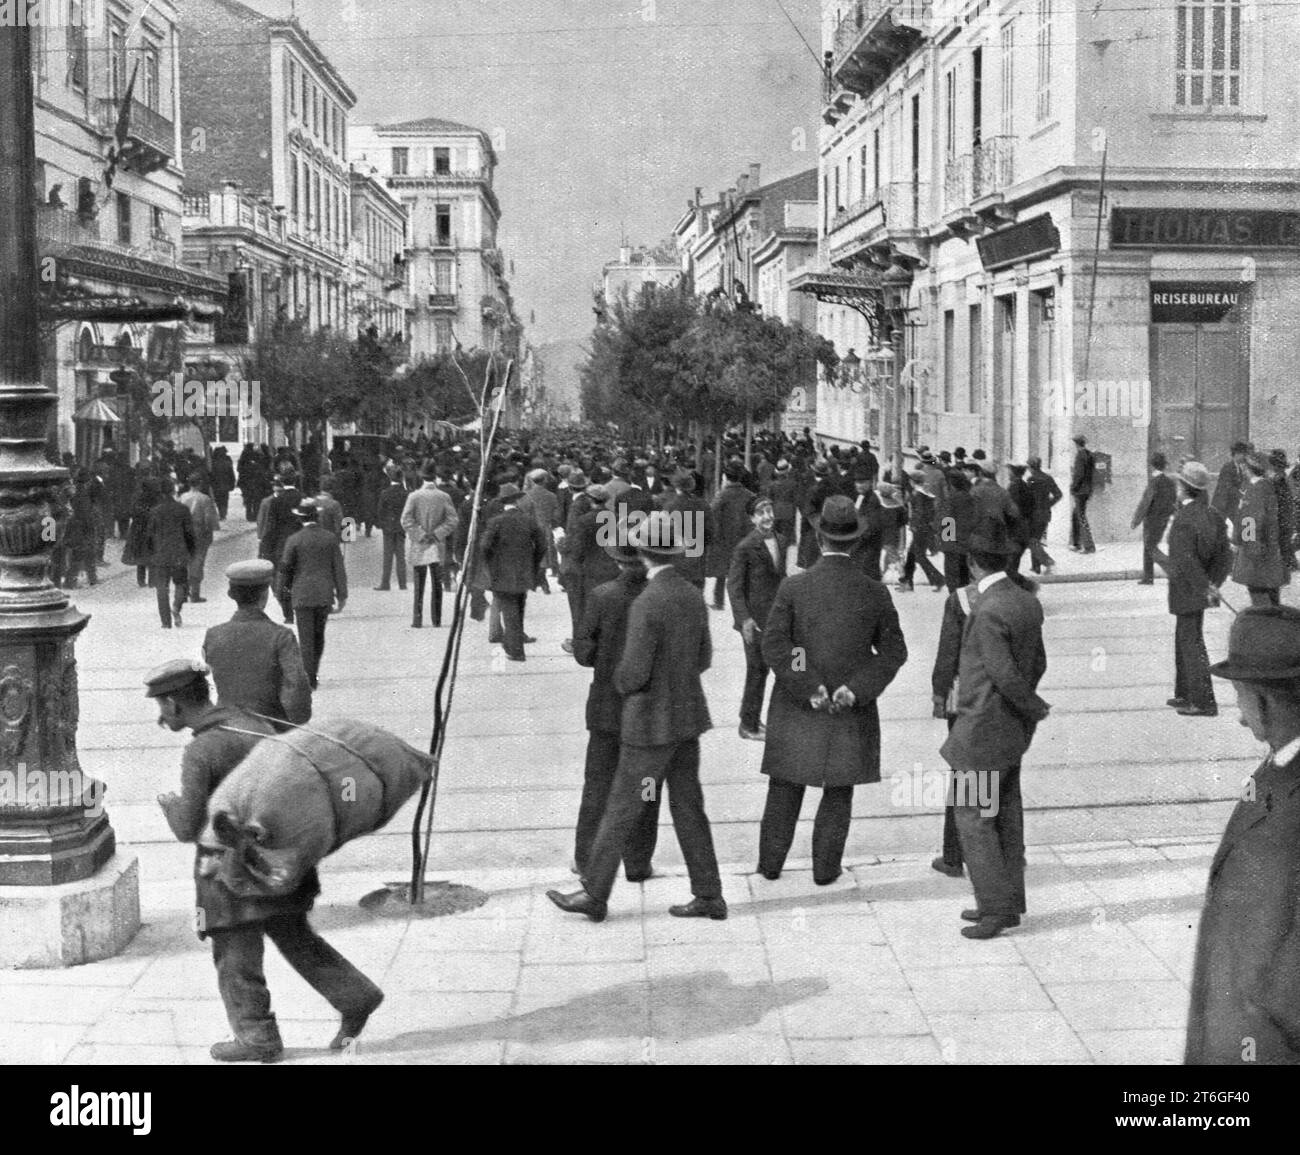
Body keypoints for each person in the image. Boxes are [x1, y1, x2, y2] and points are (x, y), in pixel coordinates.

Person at [147, 660, 382, 1062]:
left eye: (161, 707)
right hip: (280, 860)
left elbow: (188, 827)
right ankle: (355, 995)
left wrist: (170, 807)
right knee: (295, 936)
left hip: (229, 872)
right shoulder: (252, 723)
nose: (160, 717)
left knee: (234, 951)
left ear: (173, 703)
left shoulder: (202, 750)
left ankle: (256, 1035)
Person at [548, 511, 725, 923]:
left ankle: (594, 892)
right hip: (687, 717)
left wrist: (628, 686)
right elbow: (703, 658)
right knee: (688, 806)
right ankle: (709, 894)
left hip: (648, 723)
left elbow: (631, 673)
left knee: (621, 806)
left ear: (643, 554)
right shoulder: (691, 594)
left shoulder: (648, 601)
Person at [757, 495, 908, 885]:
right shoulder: (875, 592)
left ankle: (771, 867)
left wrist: (809, 683)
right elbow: (893, 652)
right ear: (856, 542)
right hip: (850, 708)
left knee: (785, 787)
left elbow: (775, 644)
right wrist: (854, 689)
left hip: (796, 705)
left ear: (819, 538)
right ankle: (825, 870)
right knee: (838, 791)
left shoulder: (793, 587)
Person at [1184, 606, 1300, 1064]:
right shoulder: (1279, 765)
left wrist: (1268, 1008)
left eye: (1239, 698)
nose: (1238, 716)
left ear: (1266, 702)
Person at [939, 524, 1050, 939]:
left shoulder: (985, 609)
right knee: (1006, 817)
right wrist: (1026, 709)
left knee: (974, 820)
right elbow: (1037, 663)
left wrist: (1032, 706)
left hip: (981, 731)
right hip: (1009, 732)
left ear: (971, 563)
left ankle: (994, 910)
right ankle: (1010, 901)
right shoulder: (1024, 602)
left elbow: (1002, 673)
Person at [570, 536, 660, 881]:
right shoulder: (656, 598)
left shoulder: (602, 596)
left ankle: (586, 858)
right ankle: (638, 861)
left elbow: (584, 652)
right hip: (649, 711)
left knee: (598, 784)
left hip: (607, 709)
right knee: (647, 787)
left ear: (617, 562)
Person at [1152, 461, 1232, 718]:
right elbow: (1225, 555)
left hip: (1188, 589)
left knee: (1191, 644)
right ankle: (1185, 693)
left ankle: (1203, 702)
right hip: (1199, 588)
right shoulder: (1212, 514)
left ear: (1183, 488)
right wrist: (1213, 583)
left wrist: (1203, 587)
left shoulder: (1184, 519)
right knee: (1184, 638)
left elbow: (1185, 560)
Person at [202, 560, 312, 730]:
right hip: (271, 727)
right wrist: (295, 723)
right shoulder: (281, 636)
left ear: (231, 594)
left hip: (227, 726)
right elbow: (296, 684)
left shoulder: (213, 635)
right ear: (265, 595)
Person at [726, 495, 789, 742]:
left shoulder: (781, 541)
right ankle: (747, 725)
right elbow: (734, 586)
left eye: (769, 511)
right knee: (756, 670)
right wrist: (744, 620)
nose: (767, 517)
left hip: (776, 618)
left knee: (769, 669)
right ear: (753, 519)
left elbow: (780, 577)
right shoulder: (745, 547)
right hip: (753, 622)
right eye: (761, 513)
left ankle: (753, 720)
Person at [280, 498, 348, 690]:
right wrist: (342, 595)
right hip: (324, 595)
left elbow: (285, 570)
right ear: (316, 517)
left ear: (300, 519)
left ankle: (309, 677)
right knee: (319, 637)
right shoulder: (330, 538)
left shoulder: (293, 540)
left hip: (301, 595)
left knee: (305, 638)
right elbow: (339, 569)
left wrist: (282, 595)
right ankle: (313, 672)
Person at [481, 482, 547, 661]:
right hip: (524, 571)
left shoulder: (496, 522)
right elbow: (542, 544)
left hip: (502, 572)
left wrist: (491, 564)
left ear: (503, 502)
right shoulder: (528, 520)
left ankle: (516, 650)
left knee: (509, 610)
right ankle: (511, 644)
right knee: (518, 608)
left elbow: (485, 547)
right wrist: (533, 563)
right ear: (517, 501)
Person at [400, 462, 459, 629]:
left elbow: (405, 519)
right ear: (435, 477)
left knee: (419, 583)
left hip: (419, 545)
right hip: (437, 544)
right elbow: (453, 520)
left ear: (421, 476)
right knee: (437, 583)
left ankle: (417, 619)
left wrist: (419, 534)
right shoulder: (443, 496)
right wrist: (438, 533)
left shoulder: (414, 496)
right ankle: (436, 619)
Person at [1232, 450, 1285, 608]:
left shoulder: (1256, 490)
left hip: (1257, 558)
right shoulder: (1266, 487)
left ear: (1248, 468)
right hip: (1268, 554)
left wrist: (1249, 551)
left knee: (1261, 604)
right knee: (1272, 601)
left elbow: (1250, 522)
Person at [146, 477, 195, 629]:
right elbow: (189, 534)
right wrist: (191, 551)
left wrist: (151, 553)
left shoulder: (155, 511)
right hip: (179, 553)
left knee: (161, 588)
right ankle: (176, 607)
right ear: (173, 491)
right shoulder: (182, 509)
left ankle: (165, 622)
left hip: (160, 554)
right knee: (182, 584)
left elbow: (149, 535)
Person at [707, 463, 754, 611]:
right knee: (743, 572)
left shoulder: (721, 496)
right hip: (744, 538)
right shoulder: (749, 495)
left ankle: (719, 601)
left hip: (724, 539)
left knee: (722, 573)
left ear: (726, 478)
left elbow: (712, 515)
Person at [258, 471, 303, 623]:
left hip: (281, 546)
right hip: (302, 545)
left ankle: (288, 614)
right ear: (296, 481)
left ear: (282, 483)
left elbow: (270, 527)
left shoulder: (276, 501)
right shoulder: (304, 498)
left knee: (284, 580)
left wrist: (264, 548)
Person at [1131, 452, 1177, 585]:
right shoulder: (1169, 482)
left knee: (1150, 547)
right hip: (1164, 519)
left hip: (1152, 520)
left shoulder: (1154, 482)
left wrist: (1136, 520)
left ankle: (1174, 570)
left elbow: (1145, 503)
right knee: (1148, 546)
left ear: (1152, 466)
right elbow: (1173, 501)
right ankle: (1148, 576)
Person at [898, 470, 944, 592]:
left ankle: (937, 579)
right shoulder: (926, 493)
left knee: (918, 556)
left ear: (912, 481)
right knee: (912, 555)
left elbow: (919, 512)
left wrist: (914, 525)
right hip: (926, 528)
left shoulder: (918, 494)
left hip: (919, 528)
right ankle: (908, 581)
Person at [180, 472, 221, 603]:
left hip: (184, 532)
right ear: (200, 483)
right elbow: (209, 519)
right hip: (199, 532)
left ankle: (183, 592)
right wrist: (210, 532)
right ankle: (195, 593)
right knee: (197, 562)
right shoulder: (205, 499)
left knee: (185, 561)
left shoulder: (182, 497)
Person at [373, 464, 409, 592]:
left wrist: (382, 525)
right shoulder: (405, 493)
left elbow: (380, 511)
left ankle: (385, 582)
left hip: (388, 528)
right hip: (400, 527)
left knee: (387, 556)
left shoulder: (385, 493)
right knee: (401, 556)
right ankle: (402, 583)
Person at [1024, 456, 1061, 574]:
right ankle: (1036, 566)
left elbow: (1028, 497)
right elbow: (1058, 494)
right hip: (1045, 513)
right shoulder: (1048, 478)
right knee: (1036, 539)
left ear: (1030, 467)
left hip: (1033, 513)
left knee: (1032, 540)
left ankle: (1045, 562)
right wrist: (1048, 504)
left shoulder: (1031, 479)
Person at [1211, 440, 1251, 535]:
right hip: (1222, 503)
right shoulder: (1228, 467)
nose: (1245, 457)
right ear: (1237, 454)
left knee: (1238, 524)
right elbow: (1228, 486)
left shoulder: (1238, 468)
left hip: (1231, 503)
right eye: (1243, 454)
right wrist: (1241, 495)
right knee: (1217, 527)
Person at [1068, 434, 1096, 553]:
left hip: (1080, 491)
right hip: (1087, 490)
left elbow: (1079, 474)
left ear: (1076, 444)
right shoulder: (1090, 455)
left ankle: (1089, 546)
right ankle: (1076, 543)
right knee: (1076, 516)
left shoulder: (1080, 455)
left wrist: (1073, 487)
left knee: (1080, 517)